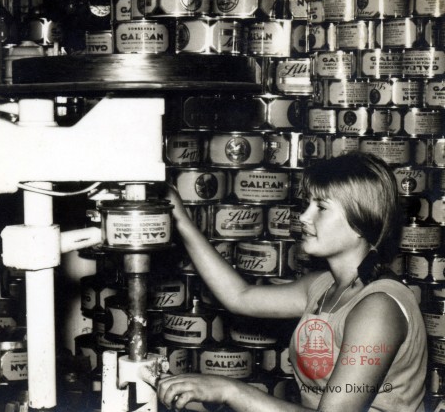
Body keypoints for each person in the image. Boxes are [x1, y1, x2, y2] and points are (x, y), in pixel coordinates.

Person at [158, 152, 427, 412]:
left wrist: (230, 390)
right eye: (307, 204)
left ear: (361, 221)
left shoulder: (378, 308)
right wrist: (179, 217)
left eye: (321, 207)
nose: (304, 217)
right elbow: (239, 296)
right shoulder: (321, 286)